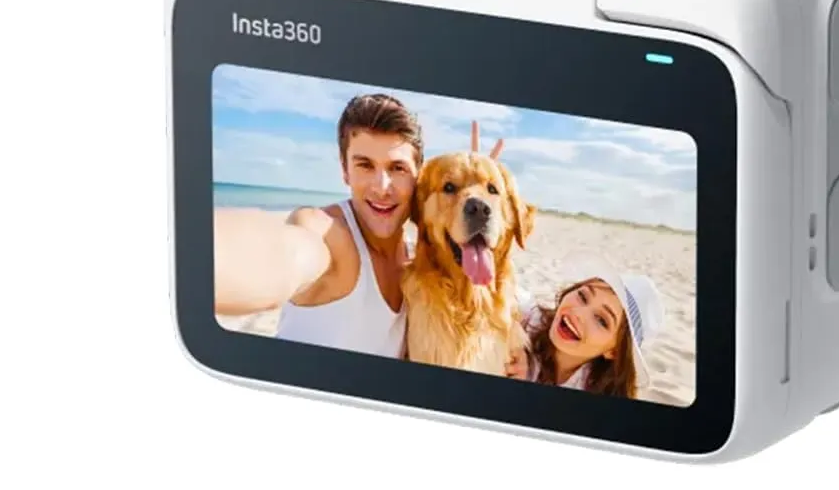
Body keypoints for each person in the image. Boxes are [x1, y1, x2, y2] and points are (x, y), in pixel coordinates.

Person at [213, 93, 504, 357]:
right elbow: (281, 253)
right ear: (345, 170)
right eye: (365, 165)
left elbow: (498, 300)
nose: (382, 187)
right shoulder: (329, 236)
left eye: (397, 168)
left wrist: (470, 191)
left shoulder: (418, 267)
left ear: (418, 177)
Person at [508, 254, 665, 398]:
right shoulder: (530, 318)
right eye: (582, 296)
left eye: (601, 320)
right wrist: (513, 339)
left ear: (614, 351)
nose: (578, 314)